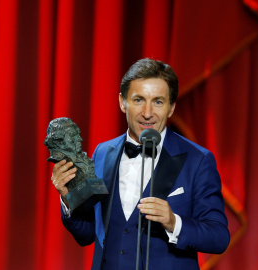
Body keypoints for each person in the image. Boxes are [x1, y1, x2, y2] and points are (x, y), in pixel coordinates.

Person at [50, 58, 230, 270]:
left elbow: (218, 237)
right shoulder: (103, 153)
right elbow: (88, 233)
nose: (147, 112)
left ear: (171, 107)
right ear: (122, 102)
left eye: (158, 102)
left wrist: (174, 222)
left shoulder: (198, 160)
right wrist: (68, 200)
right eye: (138, 100)